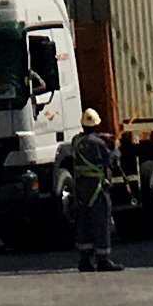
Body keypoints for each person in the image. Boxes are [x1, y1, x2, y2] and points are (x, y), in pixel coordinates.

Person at [62, 108, 124, 272]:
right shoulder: (99, 144)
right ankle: (103, 259)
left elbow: (86, 141)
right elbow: (110, 162)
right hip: (97, 188)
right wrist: (116, 149)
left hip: (81, 189)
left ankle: (85, 259)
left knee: (84, 222)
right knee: (101, 221)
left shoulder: (76, 141)